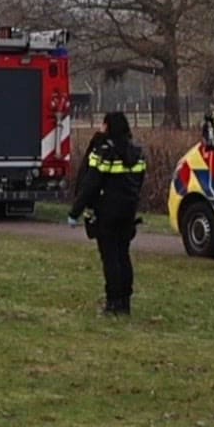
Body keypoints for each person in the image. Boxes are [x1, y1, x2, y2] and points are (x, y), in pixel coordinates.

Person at [68, 112, 147, 316]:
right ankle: (125, 302)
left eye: (104, 124)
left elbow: (90, 184)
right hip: (128, 211)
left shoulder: (103, 152)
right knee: (124, 255)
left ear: (108, 126)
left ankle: (113, 303)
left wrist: (75, 211)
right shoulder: (137, 152)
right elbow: (139, 181)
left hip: (107, 213)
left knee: (110, 258)